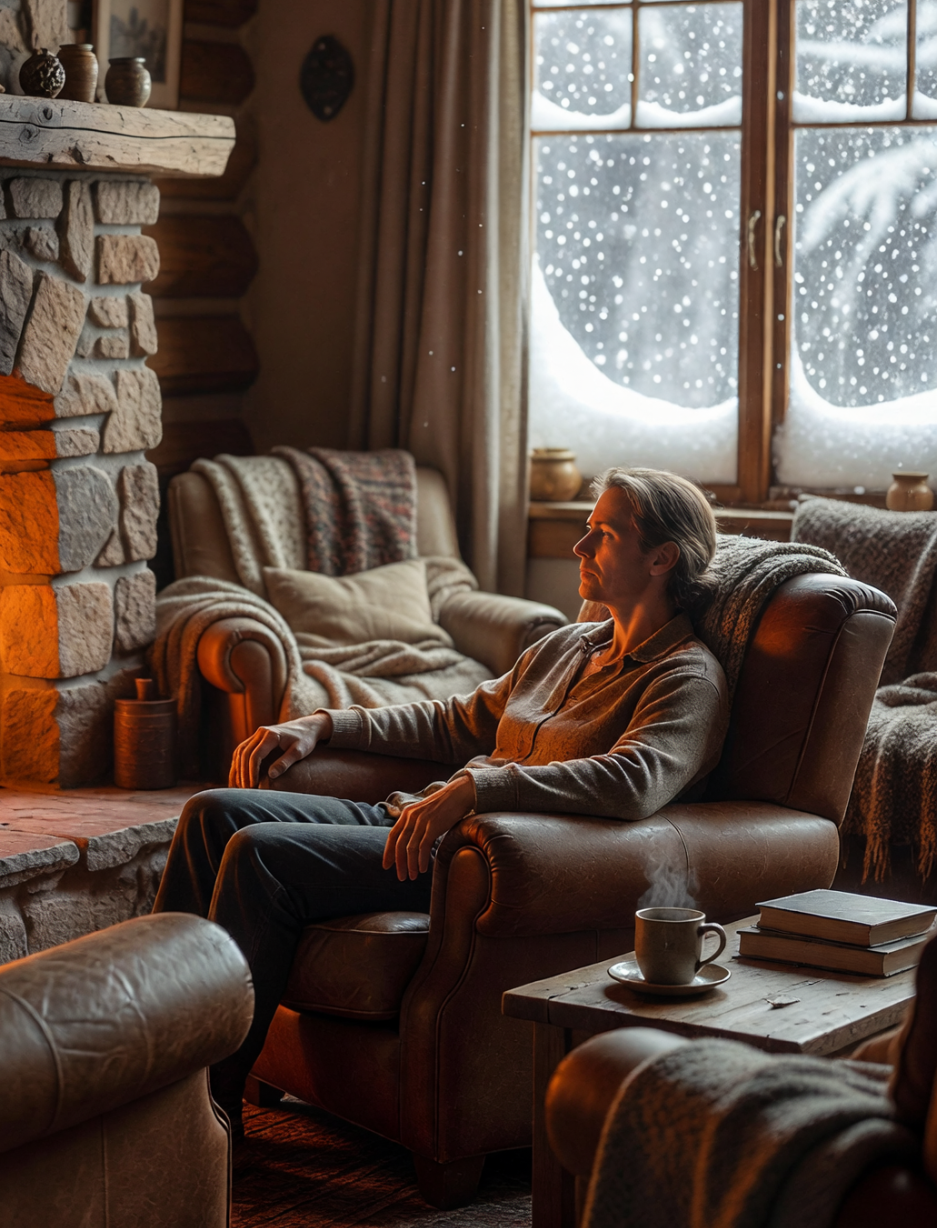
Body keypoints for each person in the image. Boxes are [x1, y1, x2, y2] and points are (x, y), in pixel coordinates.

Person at [153, 466, 728, 1149]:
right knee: (213, 813)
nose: (579, 547)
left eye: (602, 534)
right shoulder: (567, 647)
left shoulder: (687, 677)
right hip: (415, 819)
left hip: (471, 857)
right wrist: (324, 724)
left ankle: (198, 1115)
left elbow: (634, 780)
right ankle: (154, 1067)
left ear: (662, 557)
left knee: (260, 857)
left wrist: (481, 789)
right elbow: (456, 721)